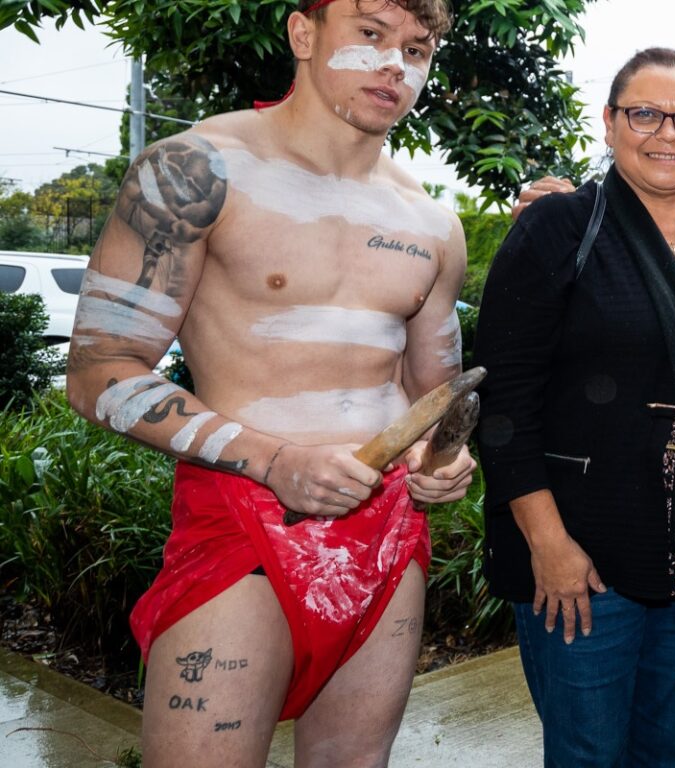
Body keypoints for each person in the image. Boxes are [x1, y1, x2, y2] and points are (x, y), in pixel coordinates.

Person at [63, 1, 472, 765]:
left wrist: (443, 461)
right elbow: (96, 373)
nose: (396, 65)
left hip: (384, 532)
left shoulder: (430, 223)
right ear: (304, 33)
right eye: (372, 35)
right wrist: (275, 461)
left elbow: (434, 400)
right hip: (243, 517)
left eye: (417, 48)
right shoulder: (197, 170)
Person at [473, 47, 675, 766]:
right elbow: (503, 402)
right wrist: (549, 544)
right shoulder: (557, 230)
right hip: (579, 563)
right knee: (588, 754)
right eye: (645, 113)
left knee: (670, 753)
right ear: (610, 124)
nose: (667, 132)